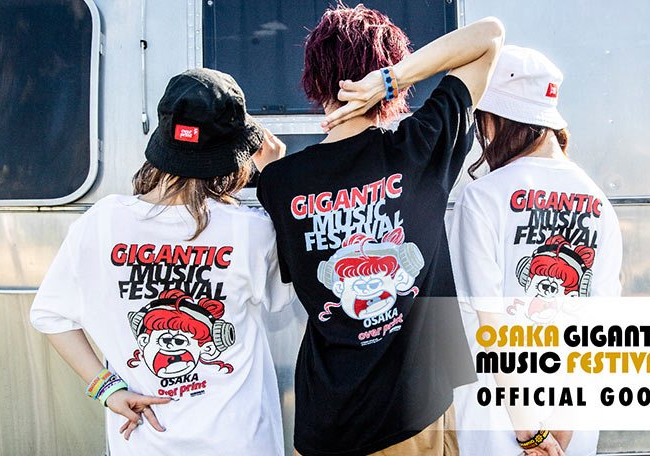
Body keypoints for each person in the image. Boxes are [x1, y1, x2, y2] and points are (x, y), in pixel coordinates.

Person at [256, 5, 504, 455]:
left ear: (314, 78)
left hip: (324, 424)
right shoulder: (419, 147)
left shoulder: (279, 182)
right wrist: (392, 78)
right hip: (410, 416)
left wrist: (276, 172)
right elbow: (489, 36)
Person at [30, 68, 295, 455]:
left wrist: (108, 389)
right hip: (239, 439)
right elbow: (281, 298)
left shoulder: (101, 223)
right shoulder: (251, 230)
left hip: (144, 443)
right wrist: (274, 177)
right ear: (231, 156)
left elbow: (50, 316)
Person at [448, 45, 623, 455]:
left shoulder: (482, 198)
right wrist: (563, 424)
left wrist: (530, 433)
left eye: (485, 122)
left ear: (499, 119)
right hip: (570, 427)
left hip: (499, 423)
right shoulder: (599, 203)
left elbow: (489, 324)